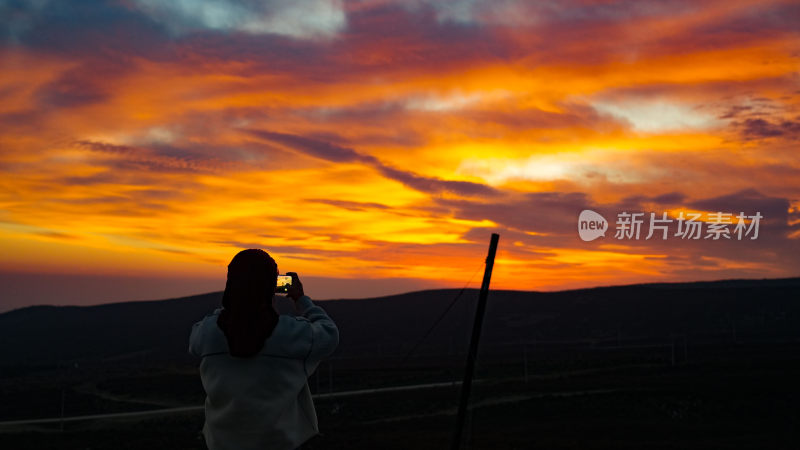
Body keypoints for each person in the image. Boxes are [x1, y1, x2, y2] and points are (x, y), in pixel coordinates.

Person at [189, 249, 339, 450]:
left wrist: (233, 302)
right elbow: (329, 333)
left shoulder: (207, 333)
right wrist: (300, 298)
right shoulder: (290, 334)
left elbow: (198, 339)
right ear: (271, 286)